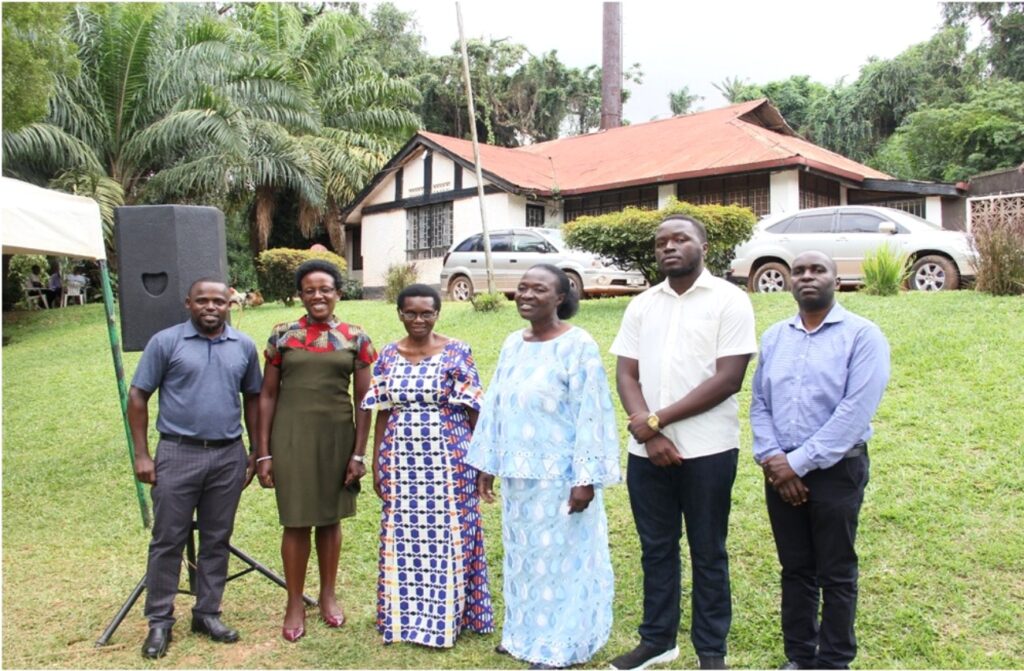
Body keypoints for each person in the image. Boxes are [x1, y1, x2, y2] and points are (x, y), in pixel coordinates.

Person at [609, 215, 757, 671]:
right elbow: (626, 372)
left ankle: (711, 652)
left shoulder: (730, 300)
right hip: (646, 452)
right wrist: (647, 432)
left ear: (703, 245)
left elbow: (729, 379)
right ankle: (657, 640)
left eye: (680, 239)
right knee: (656, 547)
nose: (669, 247)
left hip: (708, 449)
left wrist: (655, 422)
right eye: (661, 242)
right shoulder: (642, 305)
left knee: (708, 549)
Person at [467, 264, 621, 670]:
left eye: (538, 289)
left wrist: (585, 479)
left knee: (562, 563)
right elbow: (496, 402)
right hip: (520, 476)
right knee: (523, 561)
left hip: (561, 478)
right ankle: (523, 633)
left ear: (560, 297)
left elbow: (592, 412)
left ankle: (559, 645)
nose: (526, 295)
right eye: (521, 288)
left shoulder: (579, 345)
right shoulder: (512, 343)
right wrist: (488, 464)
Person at [750, 251, 890, 670]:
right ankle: (799, 656)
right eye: (799, 271)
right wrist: (774, 457)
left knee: (836, 570)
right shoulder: (775, 336)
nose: (807, 277)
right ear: (789, 282)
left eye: (818, 270)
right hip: (780, 470)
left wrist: (798, 464)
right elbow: (759, 402)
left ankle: (833, 660)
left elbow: (854, 412)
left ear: (837, 280)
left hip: (836, 470)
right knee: (795, 568)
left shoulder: (863, 336)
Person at [127, 278, 262, 659]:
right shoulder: (166, 342)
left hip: (227, 456)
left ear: (229, 305)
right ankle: (159, 621)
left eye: (219, 301)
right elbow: (138, 396)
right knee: (168, 539)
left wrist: (255, 451)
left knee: (216, 539)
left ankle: (207, 612)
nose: (211, 307)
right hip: (177, 453)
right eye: (202, 300)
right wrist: (141, 454)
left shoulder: (243, 346)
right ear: (188, 303)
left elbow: (253, 398)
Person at [361, 283, 494, 648]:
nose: (418, 320)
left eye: (426, 313)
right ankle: (403, 616)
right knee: (404, 534)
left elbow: (474, 409)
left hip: (450, 458)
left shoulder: (456, 351)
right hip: (401, 459)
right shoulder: (388, 354)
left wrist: (483, 461)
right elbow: (383, 413)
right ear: (399, 314)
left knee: (452, 534)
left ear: (437, 313)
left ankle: (452, 616)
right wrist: (377, 462)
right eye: (411, 313)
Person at [255, 260, 376, 643]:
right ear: (300, 295)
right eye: (310, 290)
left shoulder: (356, 337)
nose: (318, 296)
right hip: (289, 436)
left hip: (336, 436)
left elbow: (364, 400)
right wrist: (263, 452)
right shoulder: (282, 335)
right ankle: (294, 601)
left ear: (339, 292)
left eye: (325, 289)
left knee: (329, 518)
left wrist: (358, 454)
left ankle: (327, 594)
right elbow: (267, 395)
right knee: (295, 519)